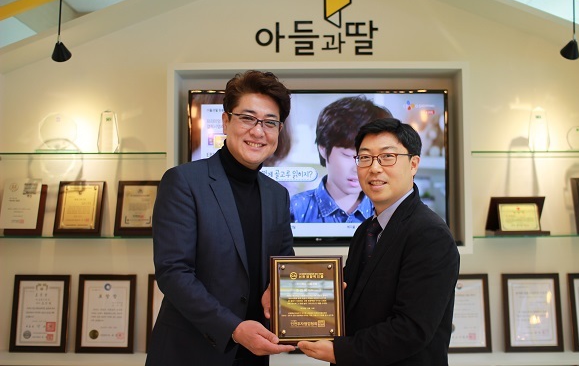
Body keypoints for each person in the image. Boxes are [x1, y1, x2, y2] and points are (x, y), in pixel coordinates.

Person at [146, 70, 296, 366]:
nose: (258, 132)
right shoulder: (184, 181)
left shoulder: (277, 194)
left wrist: (314, 288)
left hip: (253, 353)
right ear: (226, 121)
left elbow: (283, 264)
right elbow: (173, 272)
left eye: (270, 122)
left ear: (279, 130)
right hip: (189, 353)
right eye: (248, 118)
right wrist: (234, 329)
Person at [298, 118, 460, 366]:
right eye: (364, 157)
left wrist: (339, 352)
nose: (374, 168)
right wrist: (293, 299)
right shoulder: (367, 230)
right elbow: (353, 298)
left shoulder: (430, 234)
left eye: (387, 157)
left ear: (413, 164)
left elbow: (411, 329)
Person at [290, 96, 391, 223]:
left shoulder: (389, 211)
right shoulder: (296, 209)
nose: (357, 168)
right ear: (323, 149)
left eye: (366, 157)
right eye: (348, 155)